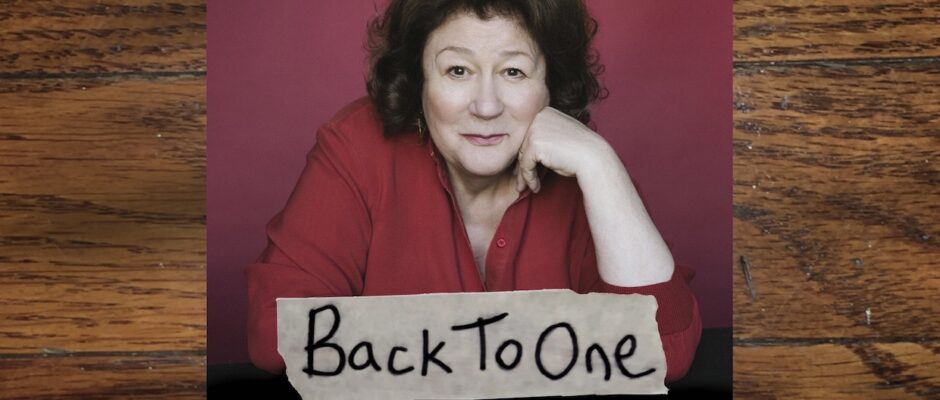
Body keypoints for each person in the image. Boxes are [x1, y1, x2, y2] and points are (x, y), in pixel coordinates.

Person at [247, 0, 701, 383]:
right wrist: (560, 348)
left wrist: (602, 165)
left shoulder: (588, 172)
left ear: (550, 86)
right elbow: (277, 331)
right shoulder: (357, 147)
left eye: (514, 72)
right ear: (419, 80)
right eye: (458, 69)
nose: (486, 106)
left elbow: (664, 352)